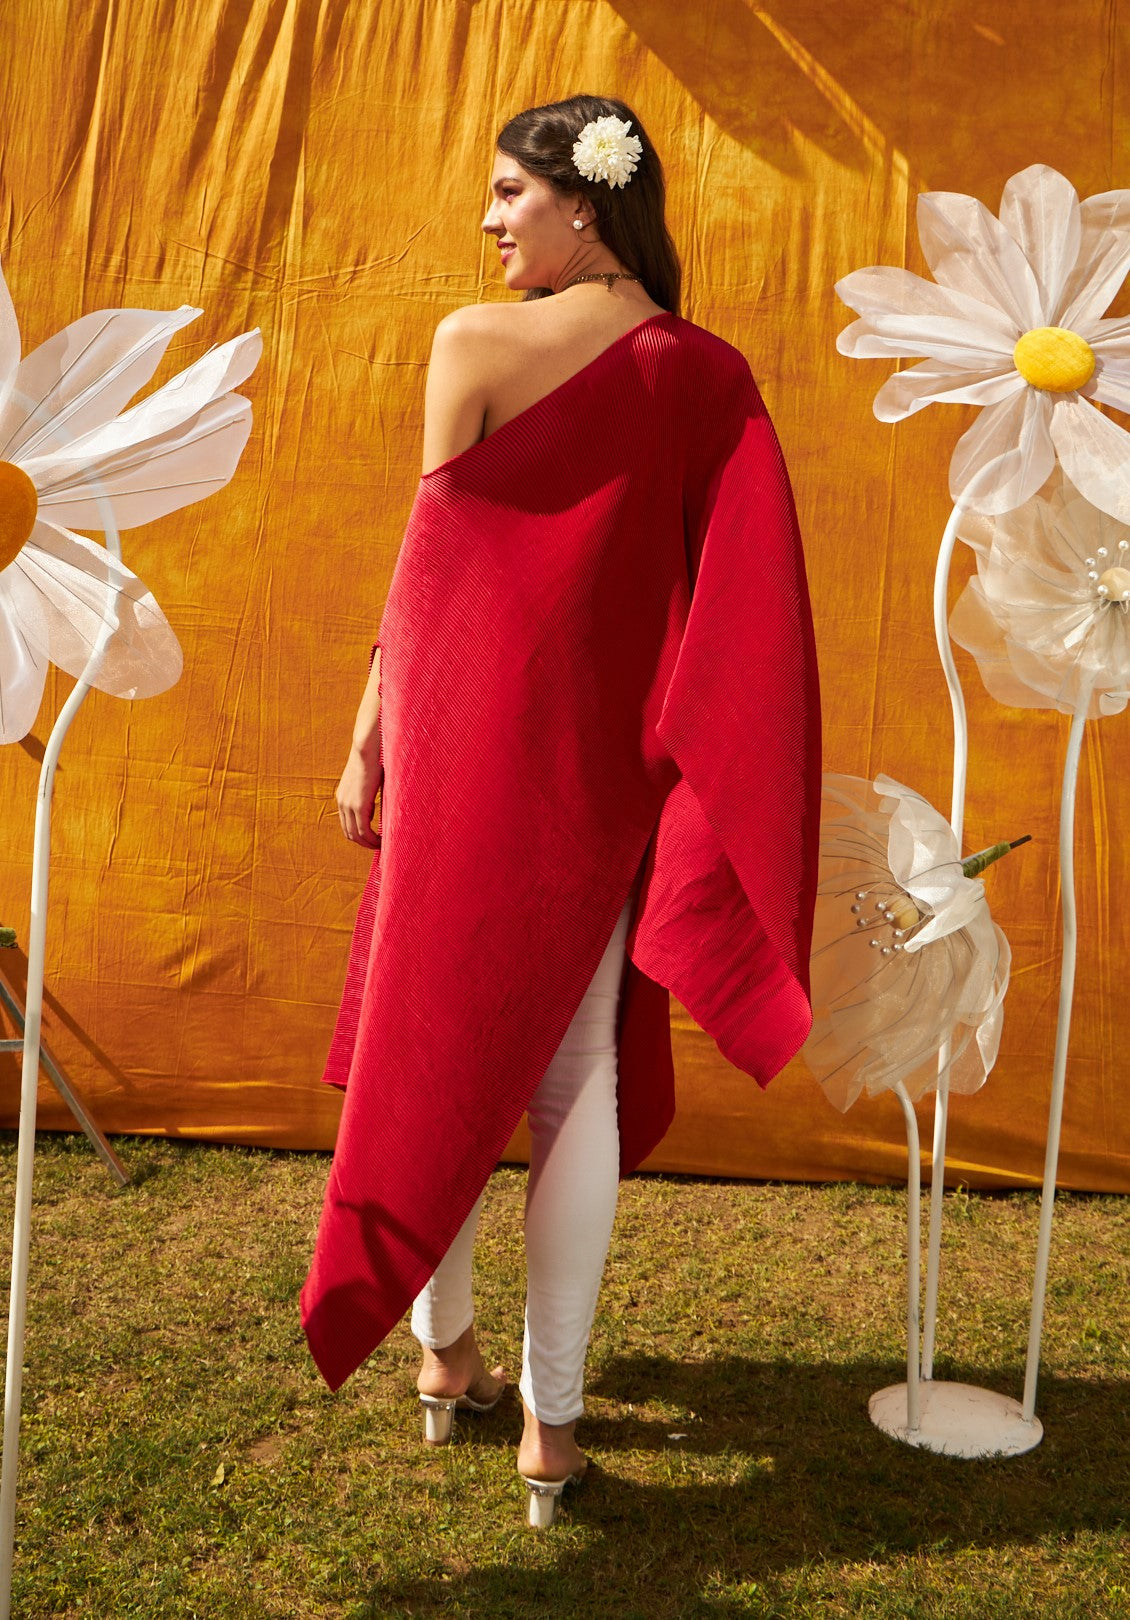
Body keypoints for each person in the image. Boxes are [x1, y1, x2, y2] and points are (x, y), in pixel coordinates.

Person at [303, 93, 822, 1531]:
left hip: (459, 746)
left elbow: (427, 577)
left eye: (506, 193)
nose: (487, 221)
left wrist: (369, 740)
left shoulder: (473, 343)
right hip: (597, 767)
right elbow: (740, 607)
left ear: (583, 201)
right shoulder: (707, 376)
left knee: (438, 1040)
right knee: (576, 1072)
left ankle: (443, 1355)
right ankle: (550, 1420)